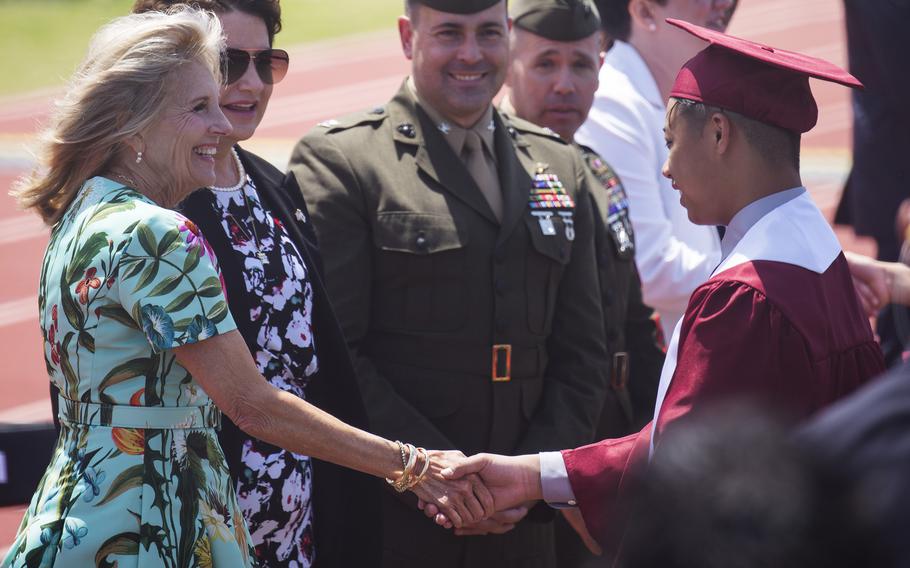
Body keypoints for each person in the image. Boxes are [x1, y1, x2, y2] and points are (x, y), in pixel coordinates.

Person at [2, 8, 490, 567]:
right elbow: (251, 405)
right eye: (198, 107)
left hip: (79, 518)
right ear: (133, 123)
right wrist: (414, 466)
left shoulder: (84, 212)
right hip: (157, 526)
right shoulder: (159, 232)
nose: (221, 123)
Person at [429, 20, 887, 552]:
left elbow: (683, 468)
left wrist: (546, 480)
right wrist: (539, 475)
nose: (666, 168)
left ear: (718, 133)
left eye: (670, 143)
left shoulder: (745, 296)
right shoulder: (818, 254)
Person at [286, 0, 611, 565]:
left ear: (508, 36)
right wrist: (434, 475)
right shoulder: (345, 161)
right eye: (449, 34)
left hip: (522, 526)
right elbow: (337, 355)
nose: (471, 54)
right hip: (396, 519)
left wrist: (525, 479)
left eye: (488, 33)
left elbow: (583, 352)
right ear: (409, 37)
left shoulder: (559, 165)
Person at [129, 1, 379, 566]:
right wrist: (408, 466)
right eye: (227, 61)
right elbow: (243, 402)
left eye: (266, 62)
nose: (250, 82)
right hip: (188, 530)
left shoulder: (270, 184)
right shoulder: (142, 208)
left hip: (295, 526)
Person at [499, 0, 664, 564]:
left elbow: (634, 322)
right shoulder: (494, 179)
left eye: (582, 65)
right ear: (508, 64)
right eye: (546, 64)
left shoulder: (599, 173)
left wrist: (652, 440)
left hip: (608, 446)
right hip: (533, 452)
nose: (566, 85)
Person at [576, 0, 737, 340]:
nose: (724, 3)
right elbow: (649, 268)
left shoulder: (685, 97)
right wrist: (776, 273)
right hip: (653, 370)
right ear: (646, 11)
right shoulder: (612, 105)